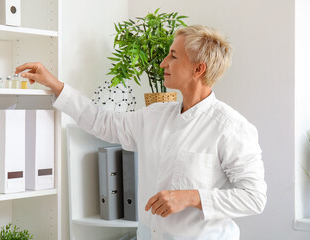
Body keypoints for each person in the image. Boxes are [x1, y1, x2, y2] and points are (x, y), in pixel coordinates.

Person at [15, 25, 267, 240]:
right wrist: (55, 84)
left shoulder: (231, 128)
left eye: (173, 56)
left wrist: (192, 197)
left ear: (198, 69)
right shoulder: (155, 116)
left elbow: (254, 198)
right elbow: (103, 122)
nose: (162, 63)